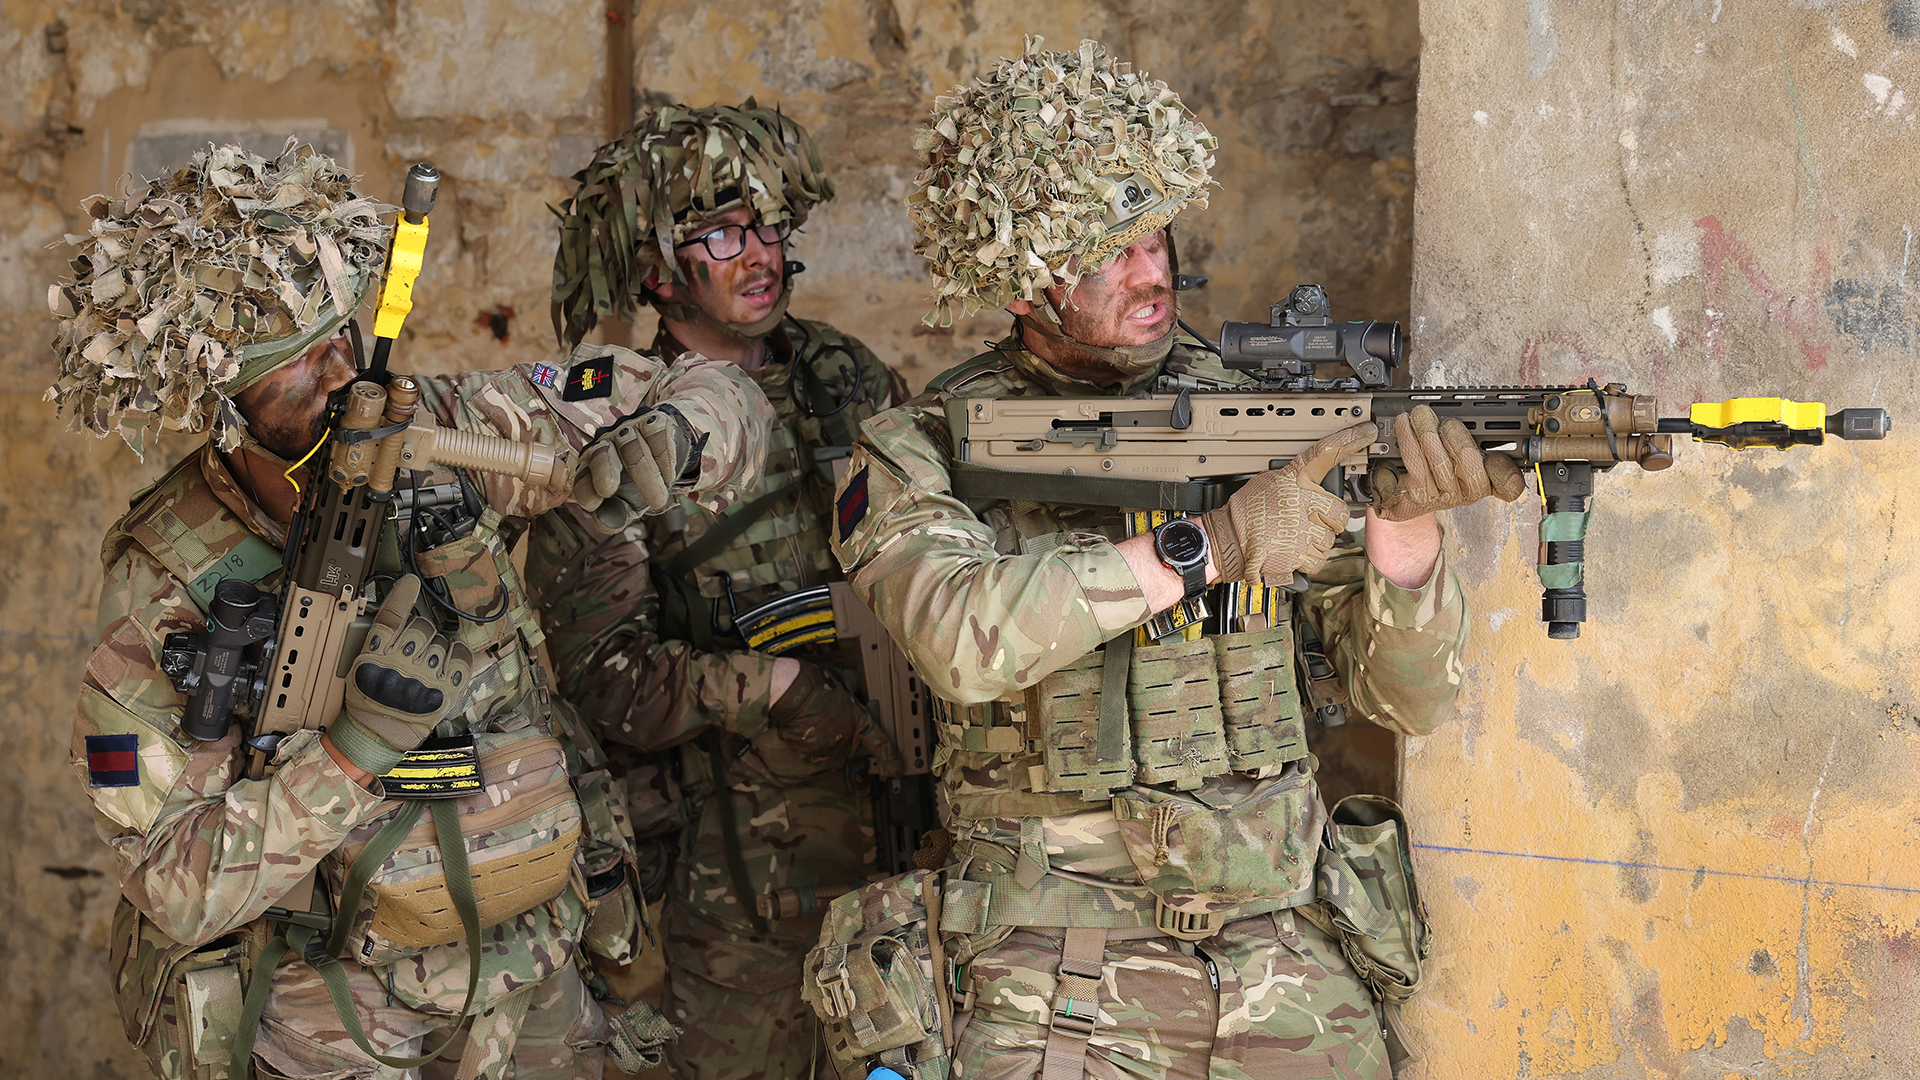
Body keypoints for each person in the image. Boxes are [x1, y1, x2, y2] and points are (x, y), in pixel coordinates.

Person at [825, 40, 1524, 1078]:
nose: (1150, 272)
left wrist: (1405, 525)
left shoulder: (1263, 415)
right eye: (1108, 251)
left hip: (1283, 948)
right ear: (1020, 279)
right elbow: (961, 638)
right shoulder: (921, 444)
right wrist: (1222, 543)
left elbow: (1411, 701)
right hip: (1055, 966)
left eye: (1155, 235)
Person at [51, 142, 774, 1079]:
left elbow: (711, 390)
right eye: (292, 373)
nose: (339, 377)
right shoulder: (163, 582)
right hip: (333, 1012)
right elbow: (174, 886)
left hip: (529, 974)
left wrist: (676, 440)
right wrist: (351, 756)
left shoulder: (438, 423)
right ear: (225, 414)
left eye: (338, 338)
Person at [527, 103, 909, 1080]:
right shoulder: (613, 423)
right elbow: (604, 682)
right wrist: (778, 692)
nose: (762, 255)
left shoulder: (845, 378)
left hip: (889, 840)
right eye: (725, 235)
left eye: (774, 229)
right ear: (658, 271)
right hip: (728, 888)